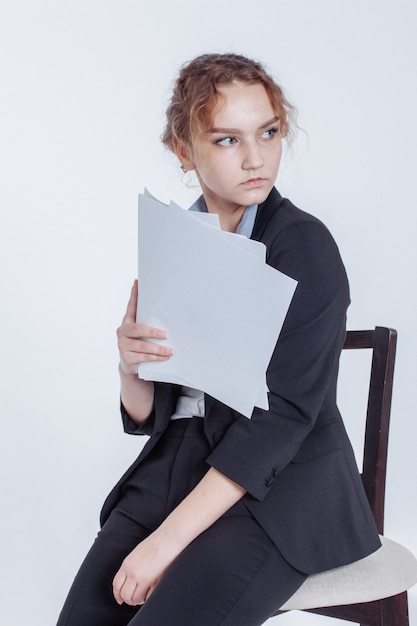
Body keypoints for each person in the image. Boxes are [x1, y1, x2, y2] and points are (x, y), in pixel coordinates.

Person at [57, 53, 381, 626]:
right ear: (185, 152)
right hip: (176, 475)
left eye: (268, 133)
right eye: (228, 140)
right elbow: (154, 412)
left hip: (278, 495)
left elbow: (280, 421)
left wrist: (165, 543)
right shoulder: (177, 240)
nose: (256, 158)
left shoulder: (304, 247)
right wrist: (131, 367)